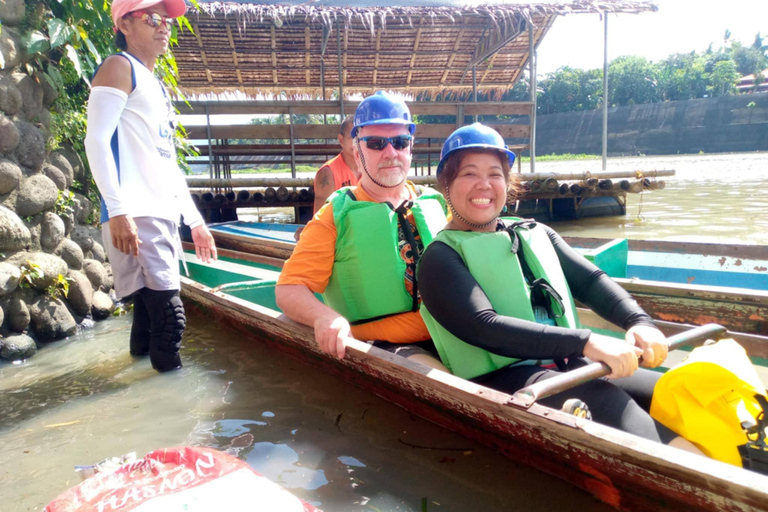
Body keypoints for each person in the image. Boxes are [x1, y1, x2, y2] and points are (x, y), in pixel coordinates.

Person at [416, 123, 702, 451]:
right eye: (469, 174)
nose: (484, 184)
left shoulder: (535, 232)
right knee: (606, 402)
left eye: (495, 174)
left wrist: (639, 322)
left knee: (675, 388)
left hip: (566, 360)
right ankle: (716, 486)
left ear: (507, 182)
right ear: (446, 186)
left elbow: (592, 282)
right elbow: (485, 328)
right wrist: (586, 342)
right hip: (503, 378)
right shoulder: (439, 258)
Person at [84, 0, 217, 372]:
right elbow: (95, 141)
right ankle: (174, 419)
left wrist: (195, 221)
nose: (164, 26)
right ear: (125, 24)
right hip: (136, 213)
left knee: (147, 315)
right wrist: (119, 209)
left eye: (167, 20)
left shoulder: (153, 84)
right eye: (152, 18)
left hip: (156, 214)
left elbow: (166, 162)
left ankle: (139, 403)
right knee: (170, 318)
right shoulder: (119, 67)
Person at [275, 91, 448, 368]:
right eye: (376, 144)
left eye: (400, 142)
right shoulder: (336, 214)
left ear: (410, 148)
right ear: (357, 152)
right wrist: (325, 317)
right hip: (386, 344)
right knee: (444, 381)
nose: (391, 152)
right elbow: (289, 288)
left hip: (452, 332)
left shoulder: (435, 202)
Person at [294, 116, 359, 240]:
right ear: (341, 140)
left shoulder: (370, 169)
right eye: (353, 138)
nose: (358, 143)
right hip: (340, 240)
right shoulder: (328, 173)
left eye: (362, 137)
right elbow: (321, 221)